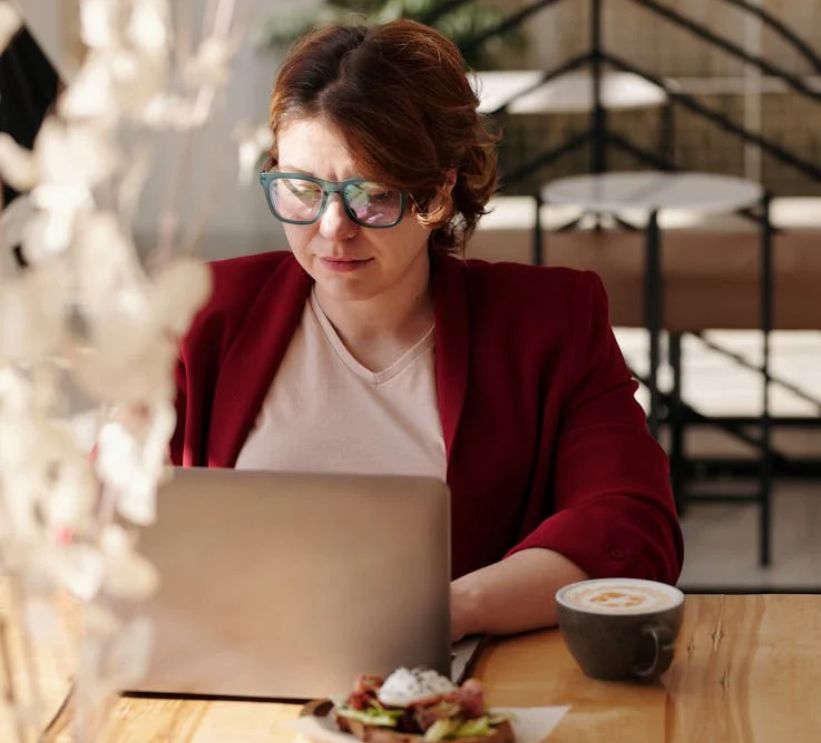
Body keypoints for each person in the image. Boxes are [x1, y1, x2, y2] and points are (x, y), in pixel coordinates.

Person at [170, 20, 682, 640]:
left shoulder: (549, 322)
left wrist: (450, 609)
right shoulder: (200, 313)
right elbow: (104, 517)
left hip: (448, 706)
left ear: (438, 191)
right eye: (303, 189)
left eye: (373, 194)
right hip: (232, 683)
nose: (333, 226)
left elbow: (632, 527)